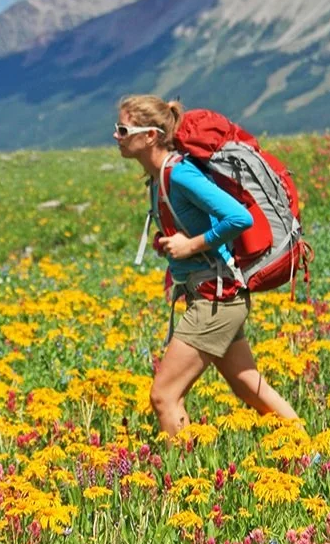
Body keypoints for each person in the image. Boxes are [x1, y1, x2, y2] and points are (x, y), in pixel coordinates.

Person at [115, 94, 302, 438]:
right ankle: (311, 451)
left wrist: (191, 245)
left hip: (215, 300)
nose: (117, 136)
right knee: (248, 385)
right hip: (213, 296)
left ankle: (180, 479)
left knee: (164, 396)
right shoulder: (157, 178)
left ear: (150, 135)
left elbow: (238, 217)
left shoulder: (179, 174)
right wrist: (173, 244)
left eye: (123, 129)